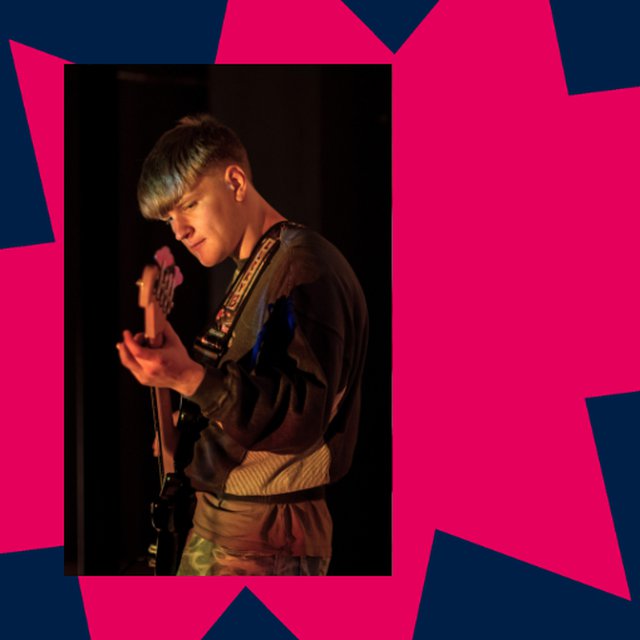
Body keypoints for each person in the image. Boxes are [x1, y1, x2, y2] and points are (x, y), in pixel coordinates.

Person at [116, 114, 368, 576]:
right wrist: (194, 424)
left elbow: (301, 414)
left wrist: (190, 378)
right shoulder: (261, 264)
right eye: (169, 218)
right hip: (233, 524)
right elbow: (257, 396)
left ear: (235, 182)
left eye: (189, 204)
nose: (178, 230)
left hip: (265, 535)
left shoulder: (304, 268)